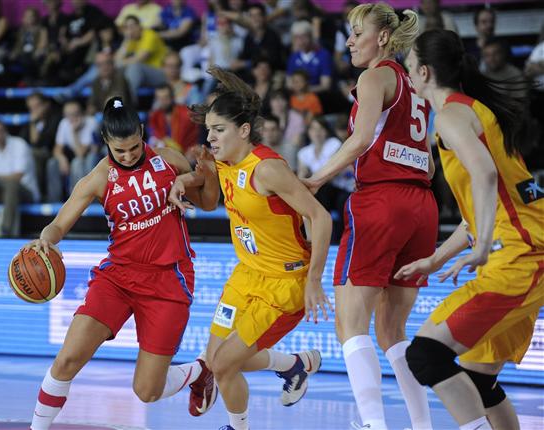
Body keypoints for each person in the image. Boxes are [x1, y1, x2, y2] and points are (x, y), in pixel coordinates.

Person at [28, 97, 220, 430]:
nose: (129, 155)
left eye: (134, 147)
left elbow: (208, 201)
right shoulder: (98, 178)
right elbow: (59, 224)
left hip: (168, 279)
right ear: (106, 143)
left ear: (142, 133)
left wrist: (208, 172)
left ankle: (199, 371)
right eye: (120, 151)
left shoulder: (167, 159)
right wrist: (46, 239)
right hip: (118, 278)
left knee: (147, 391)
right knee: (67, 359)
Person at [169, 67, 333, 430]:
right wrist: (188, 178)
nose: (210, 137)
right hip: (246, 276)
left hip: (282, 285)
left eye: (219, 130)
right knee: (214, 358)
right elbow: (211, 200)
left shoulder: (267, 168)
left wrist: (315, 280)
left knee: (225, 364)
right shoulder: (222, 160)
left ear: (243, 131)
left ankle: (238, 427)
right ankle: (292, 365)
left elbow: (321, 218)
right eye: (208, 129)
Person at [396, 29, 544, 430]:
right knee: (479, 383)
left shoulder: (450, 116)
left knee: (426, 355)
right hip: (522, 249)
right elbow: (477, 212)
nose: (407, 76)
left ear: (424, 72)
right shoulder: (471, 110)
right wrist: (435, 258)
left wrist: (479, 251)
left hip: (520, 256)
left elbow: (485, 176)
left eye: (409, 68)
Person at [302, 3, 436, 429]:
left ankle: (374, 425)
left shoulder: (374, 76)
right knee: (392, 333)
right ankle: (423, 425)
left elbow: (361, 140)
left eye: (357, 33)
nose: (349, 41)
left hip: (381, 203)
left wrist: (317, 178)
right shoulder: (415, 86)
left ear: (382, 38)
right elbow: (429, 165)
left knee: (350, 323)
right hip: (423, 207)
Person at [46, 100, 99, 202]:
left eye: (75, 114)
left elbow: (81, 154)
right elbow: (57, 148)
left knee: (76, 162)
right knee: (52, 163)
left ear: (82, 113)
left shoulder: (91, 122)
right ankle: (54, 202)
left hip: (91, 158)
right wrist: (61, 159)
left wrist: (74, 132)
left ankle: (77, 200)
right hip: (74, 156)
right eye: (68, 115)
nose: (72, 118)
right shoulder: (64, 123)